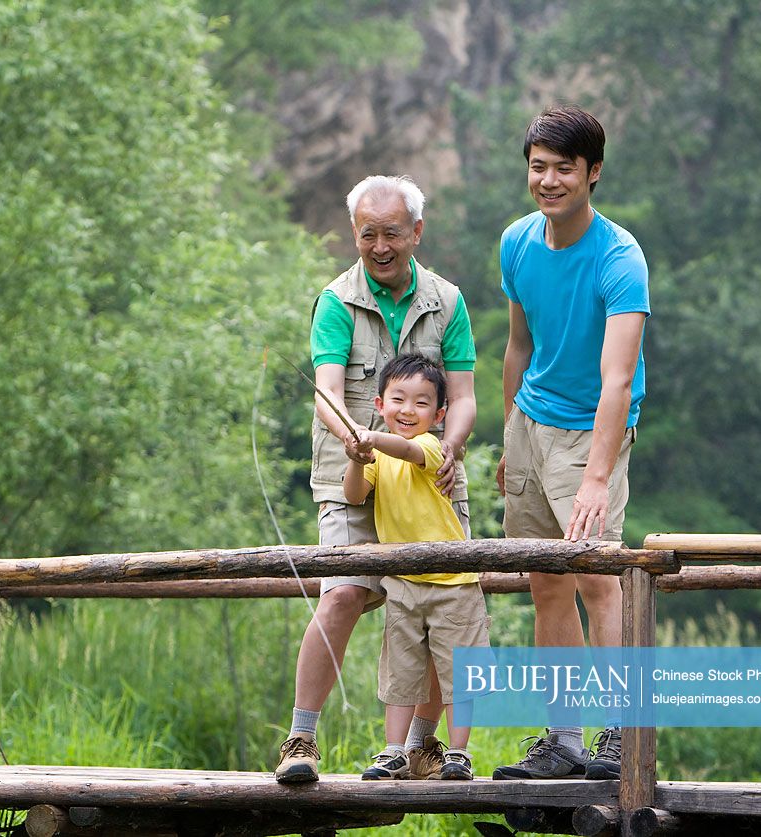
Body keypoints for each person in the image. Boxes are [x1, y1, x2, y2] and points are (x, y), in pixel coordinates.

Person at [274, 175, 477, 784]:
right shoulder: (335, 301)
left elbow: (463, 397)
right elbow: (327, 391)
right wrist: (353, 441)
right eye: (368, 234)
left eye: (393, 232)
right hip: (352, 481)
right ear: (354, 234)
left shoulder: (448, 300)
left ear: (417, 231)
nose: (380, 245)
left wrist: (451, 448)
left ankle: (419, 746)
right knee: (341, 593)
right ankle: (300, 741)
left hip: (433, 484)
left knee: (444, 607)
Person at [491, 105, 649, 781]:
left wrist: (594, 476)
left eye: (562, 168)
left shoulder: (619, 257)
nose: (547, 180)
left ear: (592, 174)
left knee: (596, 576)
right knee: (545, 581)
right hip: (529, 427)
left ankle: (621, 733)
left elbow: (616, 382)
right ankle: (562, 739)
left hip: (591, 430)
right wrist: (507, 437)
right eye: (537, 167)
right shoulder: (517, 243)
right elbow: (518, 345)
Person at [338, 353, 489, 781]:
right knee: (400, 671)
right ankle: (394, 751)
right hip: (402, 583)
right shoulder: (377, 455)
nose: (408, 410)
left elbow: (403, 448)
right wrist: (355, 454)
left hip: (454, 583)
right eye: (398, 399)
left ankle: (458, 753)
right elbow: (352, 495)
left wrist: (370, 438)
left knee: (460, 673)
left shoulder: (430, 447)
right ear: (379, 403)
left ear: (440, 414)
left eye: (422, 403)